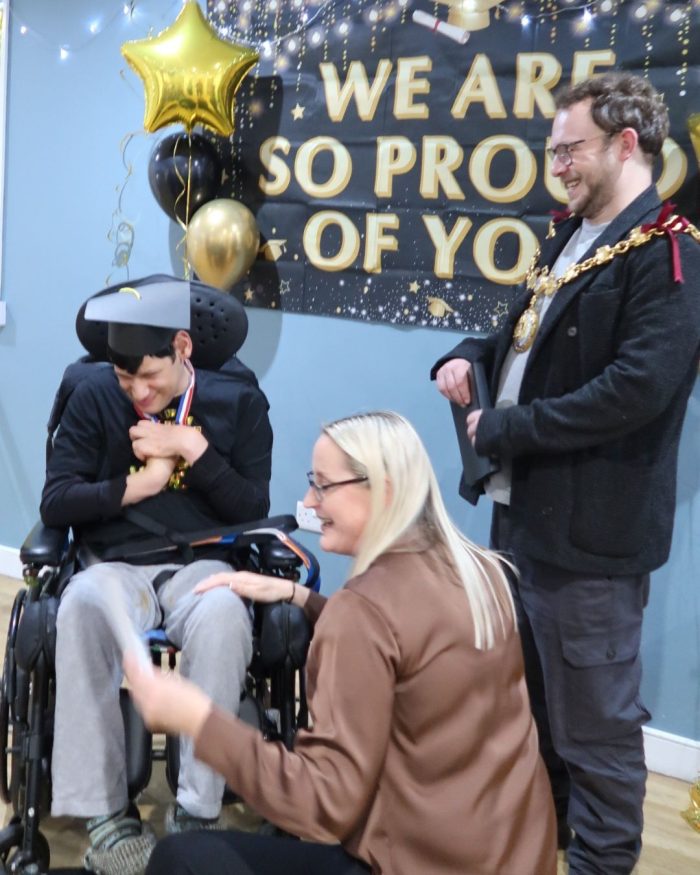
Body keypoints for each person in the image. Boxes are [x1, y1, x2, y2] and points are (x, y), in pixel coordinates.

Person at [432, 72, 700, 875]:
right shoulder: (573, 236)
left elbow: (636, 390)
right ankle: (534, 848)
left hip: (590, 540)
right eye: (553, 152)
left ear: (628, 144)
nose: (559, 166)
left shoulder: (671, 252)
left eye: (570, 149)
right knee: (530, 711)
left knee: (597, 731)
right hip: (523, 522)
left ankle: (602, 861)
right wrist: (464, 355)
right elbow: (516, 334)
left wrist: (509, 427)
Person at [125, 410, 557, 875]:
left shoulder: (364, 614)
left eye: (324, 486)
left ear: (384, 490)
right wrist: (301, 597)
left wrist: (201, 722)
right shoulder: (484, 573)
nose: (309, 501)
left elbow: (323, 808)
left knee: (179, 859)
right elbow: (411, 652)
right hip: (515, 857)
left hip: (417, 863)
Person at [40, 278, 273, 875]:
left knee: (224, 615)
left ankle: (197, 809)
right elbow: (56, 502)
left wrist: (194, 451)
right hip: (113, 565)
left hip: (202, 563)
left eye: (151, 377)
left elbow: (252, 508)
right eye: (126, 380)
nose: (139, 393)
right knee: (82, 605)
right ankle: (107, 819)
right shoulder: (92, 393)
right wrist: (134, 486)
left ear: (182, 349)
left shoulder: (238, 401)